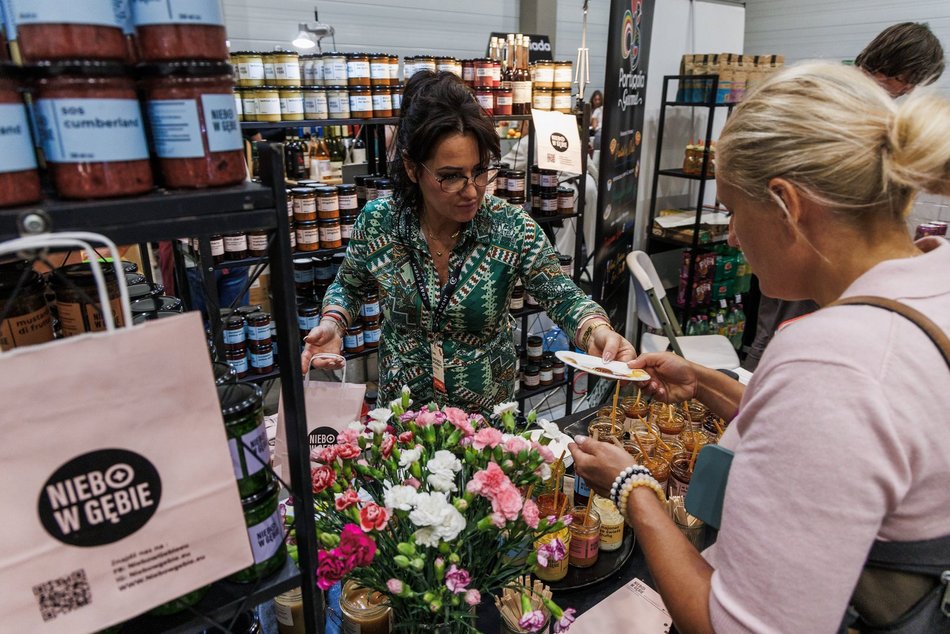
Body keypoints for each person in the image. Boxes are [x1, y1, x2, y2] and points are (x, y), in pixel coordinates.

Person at [570, 61, 950, 632]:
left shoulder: (834, 361)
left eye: (732, 211)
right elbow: (846, 444)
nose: (731, 237)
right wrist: (706, 383)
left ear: (786, 204)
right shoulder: (933, 279)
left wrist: (633, 489)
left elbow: (734, 626)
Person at [301, 71, 636, 414]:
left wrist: (595, 330)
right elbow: (349, 285)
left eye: (479, 171)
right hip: (404, 417)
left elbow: (562, 295)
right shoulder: (380, 223)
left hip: (484, 424)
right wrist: (333, 323)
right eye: (451, 177)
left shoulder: (510, 227)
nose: (472, 190)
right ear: (412, 168)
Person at [743, 21, 945, 371]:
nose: (910, 90)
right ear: (903, 69)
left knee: (794, 335)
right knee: (783, 333)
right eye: (911, 80)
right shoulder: (842, 101)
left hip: (821, 240)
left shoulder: (850, 96)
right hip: (811, 239)